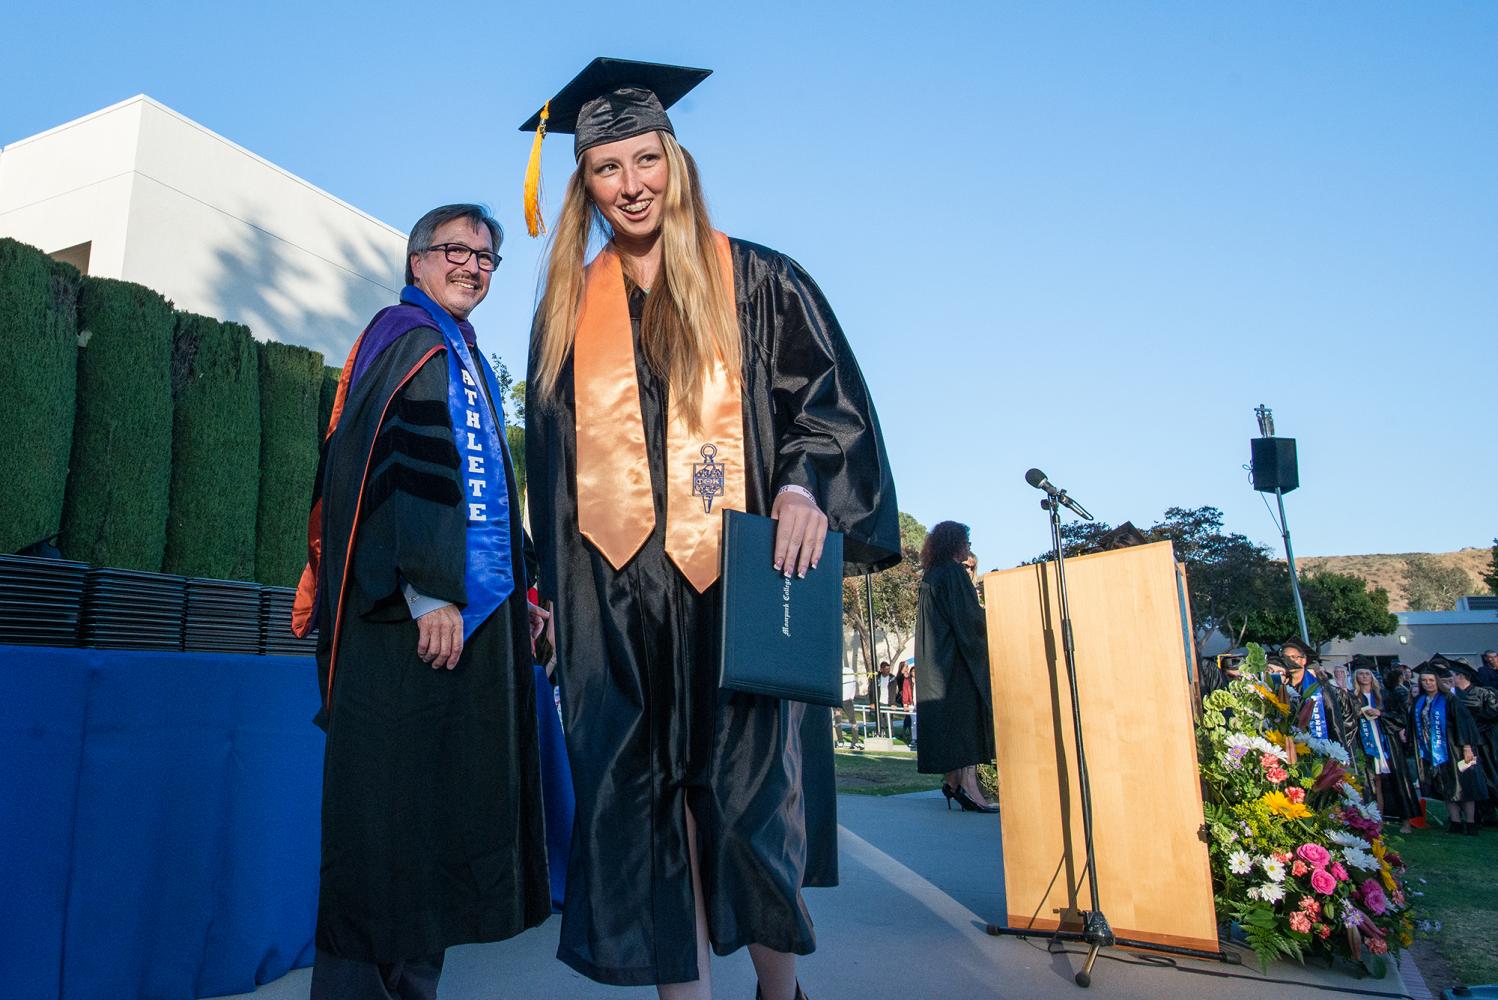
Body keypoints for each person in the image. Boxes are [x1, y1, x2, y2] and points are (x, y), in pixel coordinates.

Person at [522, 58, 900, 1000]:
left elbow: (828, 411)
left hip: (733, 584)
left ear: (675, 160)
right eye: (608, 169)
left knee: (744, 805)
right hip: (615, 598)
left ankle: (782, 992)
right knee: (642, 804)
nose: (631, 185)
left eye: (645, 159)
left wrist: (805, 488)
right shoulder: (568, 312)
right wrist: (552, 600)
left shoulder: (761, 284)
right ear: (585, 186)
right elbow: (554, 478)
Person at [293, 204, 551, 998]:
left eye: (486, 257)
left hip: (456, 632)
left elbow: (487, 494)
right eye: (455, 251)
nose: (472, 265)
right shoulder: (407, 342)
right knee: (388, 827)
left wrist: (528, 590)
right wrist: (429, 586)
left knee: (429, 821)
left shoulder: (459, 352)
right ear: (417, 262)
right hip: (406, 626)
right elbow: (400, 467)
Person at [914, 521, 998, 814]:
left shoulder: (933, 574)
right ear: (954, 543)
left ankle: (953, 783)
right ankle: (969, 788)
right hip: (955, 661)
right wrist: (995, 622)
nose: (968, 547)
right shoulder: (952, 574)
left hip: (938, 660)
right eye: (965, 541)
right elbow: (969, 620)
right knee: (966, 722)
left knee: (954, 722)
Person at [1411, 661, 1488, 835]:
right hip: (1434, 752)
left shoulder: (1450, 699)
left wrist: (1467, 747)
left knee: (1465, 786)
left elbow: (1464, 723)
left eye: (1431, 680)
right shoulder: (1420, 701)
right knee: (1446, 786)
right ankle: (1455, 822)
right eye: (1424, 680)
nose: (1428, 683)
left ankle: (1470, 822)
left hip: (1456, 749)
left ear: (1437, 681)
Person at [1351, 664, 1415, 832]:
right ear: (1356, 678)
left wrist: (1381, 714)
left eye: (1367, 673)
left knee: (1397, 781)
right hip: (1367, 745)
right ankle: (1376, 821)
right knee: (1374, 783)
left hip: (1387, 743)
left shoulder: (1385, 696)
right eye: (1361, 674)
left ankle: (1406, 821)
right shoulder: (1353, 697)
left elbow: (1400, 718)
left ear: (1372, 677)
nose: (1364, 676)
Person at [1449, 660, 1498, 799]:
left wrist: (1471, 718)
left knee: (1490, 773)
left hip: (1486, 741)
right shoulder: (1451, 696)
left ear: (1461, 676)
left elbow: (1494, 713)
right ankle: (1481, 812)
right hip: (1464, 741)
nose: (1448, 679)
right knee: (1472, 776)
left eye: (1451, 675)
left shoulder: (1483, 693)